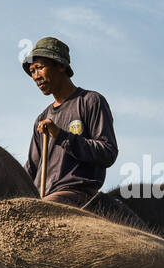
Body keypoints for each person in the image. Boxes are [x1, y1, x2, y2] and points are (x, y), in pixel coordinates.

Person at [22, 37, 117, 205]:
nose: (35, 76)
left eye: (40, 68)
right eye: (32, 71)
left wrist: (62, 136)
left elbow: (107, 152)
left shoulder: (90, 101)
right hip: (43, 196)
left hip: (77, 192)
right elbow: (32, 167)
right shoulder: (42, 118)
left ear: (61, 65)